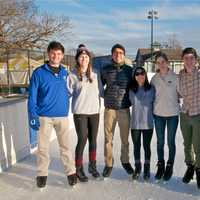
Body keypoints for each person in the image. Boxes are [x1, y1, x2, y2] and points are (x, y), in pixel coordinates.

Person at [28, 41, 77, 188]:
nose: (56, 56)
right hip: (44, 117)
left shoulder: (65, 73)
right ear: (48, 54)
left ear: (62, 56)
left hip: (62, 116)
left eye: (59, 53)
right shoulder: (39, 72)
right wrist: (33, 115)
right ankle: (42, 174)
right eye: (53, 53)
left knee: (66, 147)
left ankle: (71, 173)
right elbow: (32, 96)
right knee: (43, 148)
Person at [67, 45, 101, 182]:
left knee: (93, 140)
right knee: (82, 139)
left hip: (94, 112)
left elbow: (101, 92)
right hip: (80, 112)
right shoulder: (72, 75)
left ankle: (92, 166)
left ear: (89, 59)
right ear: (77, 59)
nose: (84, 59)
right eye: (81, 57)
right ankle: (78, 168)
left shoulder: (96, 74)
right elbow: (67, 93)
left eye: (86, 57)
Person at [100, 44, 134, 177]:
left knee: (125, 139)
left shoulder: (129, 70)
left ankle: (125, 161)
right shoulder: (105, 70)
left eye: (120, 53)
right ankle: (108, 164)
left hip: (124, 109)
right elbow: (99, 85)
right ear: (112, 55)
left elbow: (135, 86)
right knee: (108, 139)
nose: (118, 55)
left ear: (124, 55)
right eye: (115, 53)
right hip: (110, 109)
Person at [151, 52, 179, 181]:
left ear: (167, 62)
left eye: (163, 62)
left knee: (170, 142)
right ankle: (161, 165)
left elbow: (182, 93)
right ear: (156, 64)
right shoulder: (154, 79)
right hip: (158, 115)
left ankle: (170, 165)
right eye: (158, 62)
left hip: (172, 114)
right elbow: (150, 96)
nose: (161, 64)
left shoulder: (175, 77)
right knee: (160, 142)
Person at [178, 47, 200, 189]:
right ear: (183, 60)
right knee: (187, 144)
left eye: (192, 58)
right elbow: (177, 93)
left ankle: (199, 170)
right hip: (185, 114)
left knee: (198, 145)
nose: (189, 60)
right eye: (186, 58)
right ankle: (190, 167)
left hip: (198, 114)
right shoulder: (180, 75)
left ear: (196, 59)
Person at [129, 67, 155, 180]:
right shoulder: (131, 90)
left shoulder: (152, 89)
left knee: (146, 146)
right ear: (134, 76)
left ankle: (147, 167)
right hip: (135, 124)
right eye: (137, 74)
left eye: (142, 73)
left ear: (145, 75)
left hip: (148, 123)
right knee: (136, 146)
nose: (140, 76)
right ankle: (138, 167)